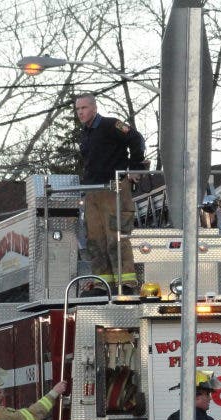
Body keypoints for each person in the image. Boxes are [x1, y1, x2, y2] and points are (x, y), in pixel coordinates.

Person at [75, 93, 147, 295]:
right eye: (78, 109)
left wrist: (135, 168)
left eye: (84, 108)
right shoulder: (85, 134)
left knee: (116, 236)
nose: (80, 112)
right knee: (95, 240)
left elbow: (136, 139)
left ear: (94, 108)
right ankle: (102, 283)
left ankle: (126, 282)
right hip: (92, 192)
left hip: (114, 188)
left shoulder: (111, 125)